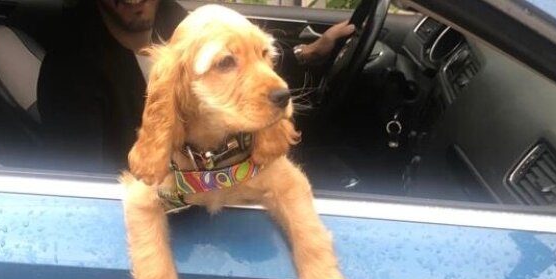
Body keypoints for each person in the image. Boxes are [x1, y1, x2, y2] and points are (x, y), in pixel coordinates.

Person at [37, 0, 356, 173]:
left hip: (226, 165)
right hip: (170, 195)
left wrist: (307, 54)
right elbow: (82, 180)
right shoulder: (71, 69)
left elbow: (242, 58)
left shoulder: (176, 21)